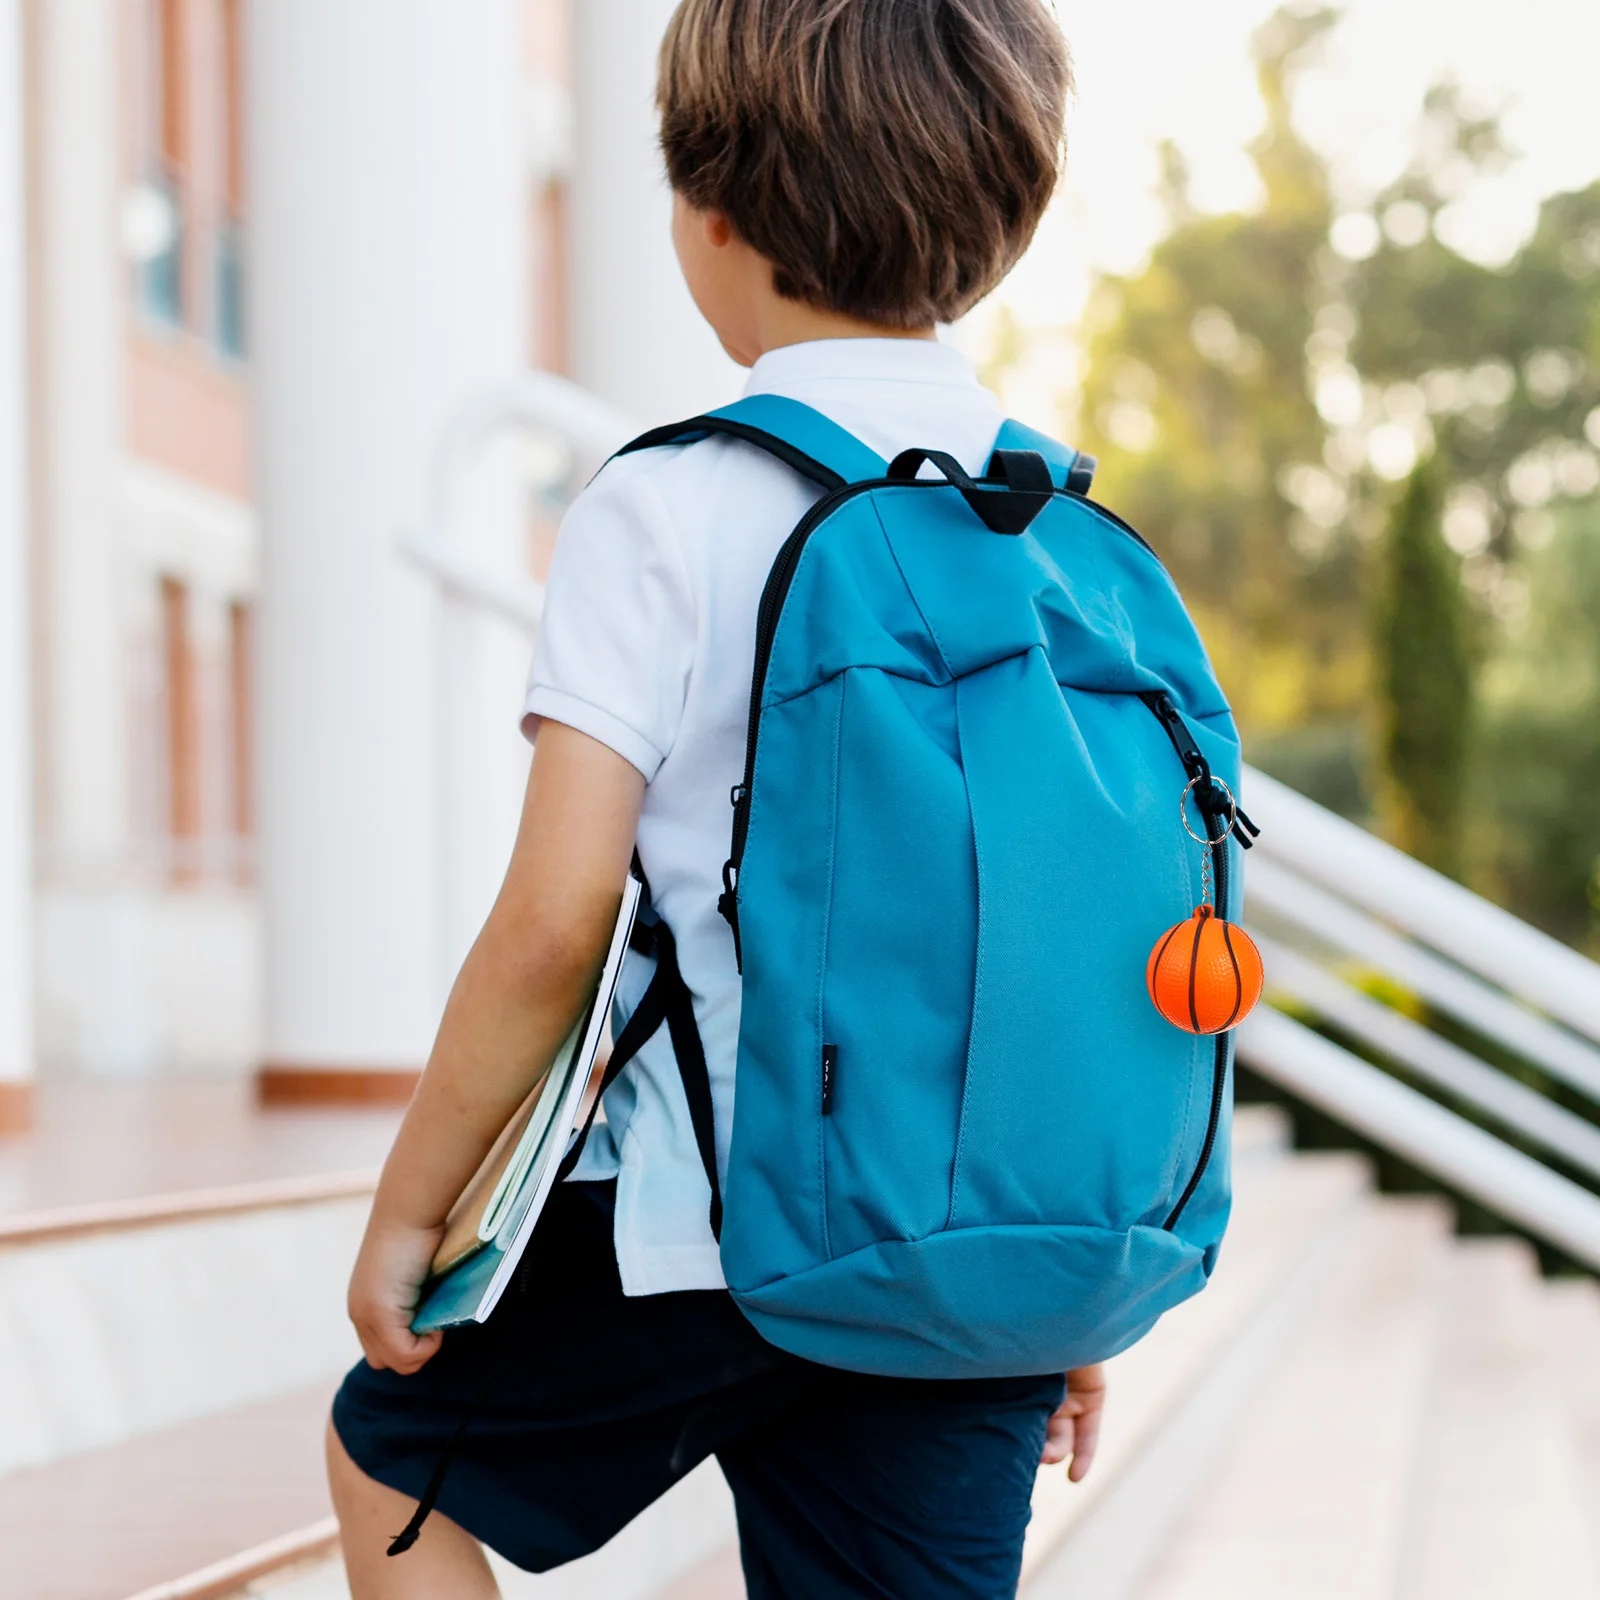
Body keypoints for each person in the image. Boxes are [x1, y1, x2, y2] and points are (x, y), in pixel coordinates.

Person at [328, 2, 1103, 1595]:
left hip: (709, 1237)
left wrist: (413, 1210)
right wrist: (1055, 1275)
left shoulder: (666, 504)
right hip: (970, 1249)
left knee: (387, 1459)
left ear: (713, 207)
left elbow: (556, 923)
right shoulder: (1054, 523)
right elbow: (1068, 933)